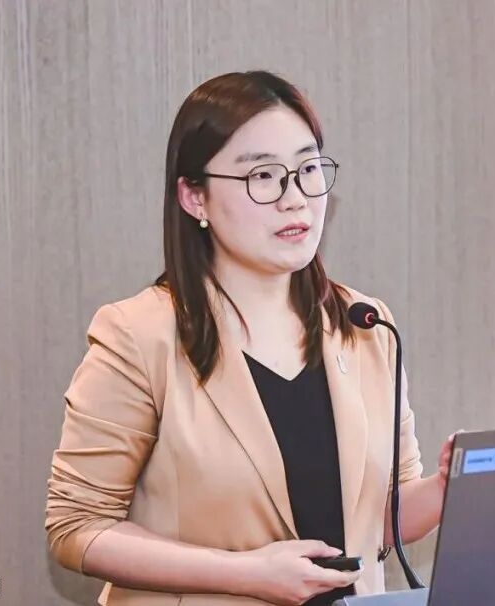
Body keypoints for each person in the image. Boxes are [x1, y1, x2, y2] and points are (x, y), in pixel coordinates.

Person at [45, 71, 456, 606]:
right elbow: (77, 526)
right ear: (195, 197)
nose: (295, 199)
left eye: (307, 169)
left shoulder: (365, 324)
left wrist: (446, 489)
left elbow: (378, 519)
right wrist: (244, 573)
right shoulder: (138, 335)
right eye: (263, 176)